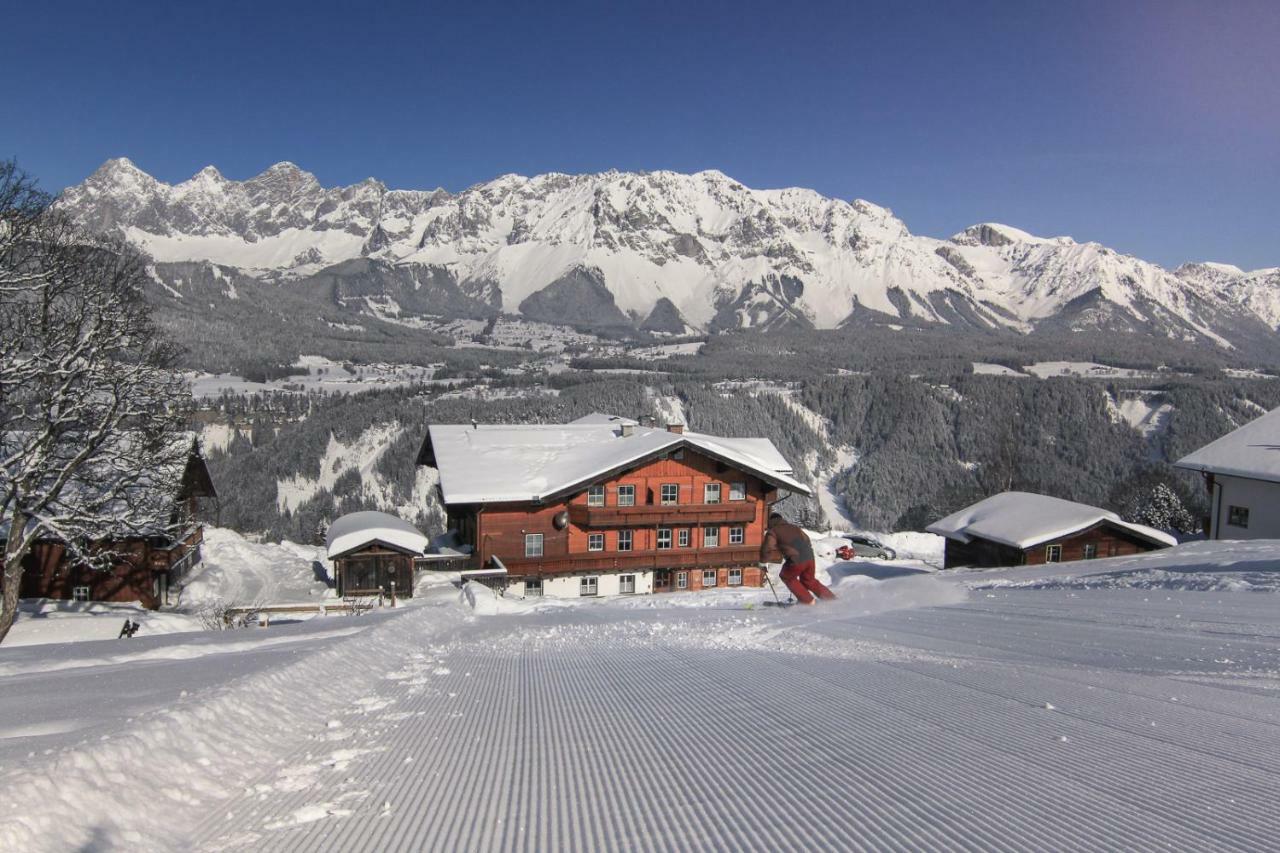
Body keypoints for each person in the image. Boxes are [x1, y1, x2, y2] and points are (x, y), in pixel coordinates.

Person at [760, 512, 835, 605]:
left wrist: (762, 562)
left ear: (771, 522)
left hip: (796, 559)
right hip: (810, 557)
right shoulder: (794, 527)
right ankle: (830, 599)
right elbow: (807, 539)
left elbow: (768, 548)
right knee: (809, 580)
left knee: (787, 576)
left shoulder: (773, 531)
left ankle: (808, 601)